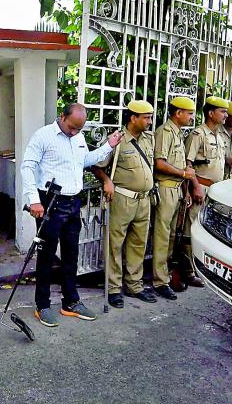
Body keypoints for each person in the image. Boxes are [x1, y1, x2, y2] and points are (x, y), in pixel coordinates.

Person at [21, 103, 123, 327]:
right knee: (46, 255)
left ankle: (70, 302)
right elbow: (27, 167)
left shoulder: (78, 137)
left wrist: (108, 146)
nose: (75, 132)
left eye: (79, 129)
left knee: (71, 254)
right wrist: (34, 200)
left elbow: (84, 161)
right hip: (50, 201)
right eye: (72, 128)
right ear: (61, 116)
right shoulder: (43, 136)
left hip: (73, 201)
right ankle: (43, 305)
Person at [91, 100, 156, 308]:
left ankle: (134, 285)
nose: (149, 121)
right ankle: (114, 288)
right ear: (133, 118)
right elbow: (97, 165)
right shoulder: (117, 139)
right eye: (146, 118)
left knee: (139, 243)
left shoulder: (148, 140)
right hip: (122, 198)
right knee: (115, 244)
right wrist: (107, 180)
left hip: (143, 199)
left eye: (150, 117)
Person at [151, 96, 196, 300]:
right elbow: (159, 163)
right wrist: (183, 174)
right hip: (166, 187)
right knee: (162, 236)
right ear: (178, 113)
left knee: (170, 237)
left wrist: (185, 188)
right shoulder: (165, 131)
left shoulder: (177, 133)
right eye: (188, 113)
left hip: (177, 189)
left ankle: (167, 274)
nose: (191, 117)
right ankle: (160, 281)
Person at [182, 96, 229, 287]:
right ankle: (187, 270)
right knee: (190, 229)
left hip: (214, 189)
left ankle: (203, 267)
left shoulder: (218, 135)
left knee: (208, 230)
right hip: (200, 187)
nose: (226, 115)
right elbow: (188, 163)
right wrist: (194, 187)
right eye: (222, 111)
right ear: (211, 113)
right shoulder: (198, 134)